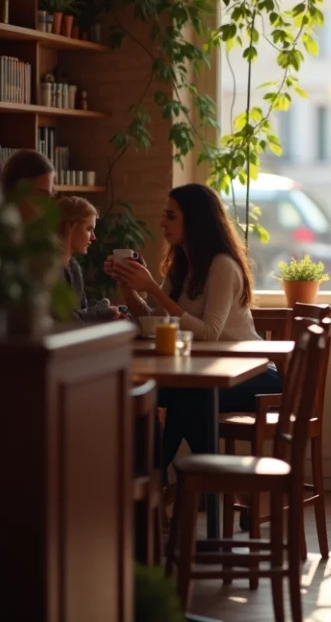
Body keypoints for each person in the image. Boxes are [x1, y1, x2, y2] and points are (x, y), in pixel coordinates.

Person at [106, 183, 279, 479]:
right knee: (148, 392)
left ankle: (157, 479)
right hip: (207, 376)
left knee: (189, 399)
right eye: (164, 214)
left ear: (194, 220)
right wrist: (129, 287)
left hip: (254, 374)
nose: (162, 222)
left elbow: (209, 332)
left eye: (170, 216)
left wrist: (152, 288)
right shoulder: (182, 265)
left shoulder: (223, 266)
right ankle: (185, 485)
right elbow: (152, 322)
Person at [57, 196, 122, 323]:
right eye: (89, 229)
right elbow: (66, 320)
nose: (94, 237)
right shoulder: (48, 269)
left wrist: (103, 311)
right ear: (71, 226)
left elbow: (82, 313)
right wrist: (99, 312)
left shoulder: (73, 267)